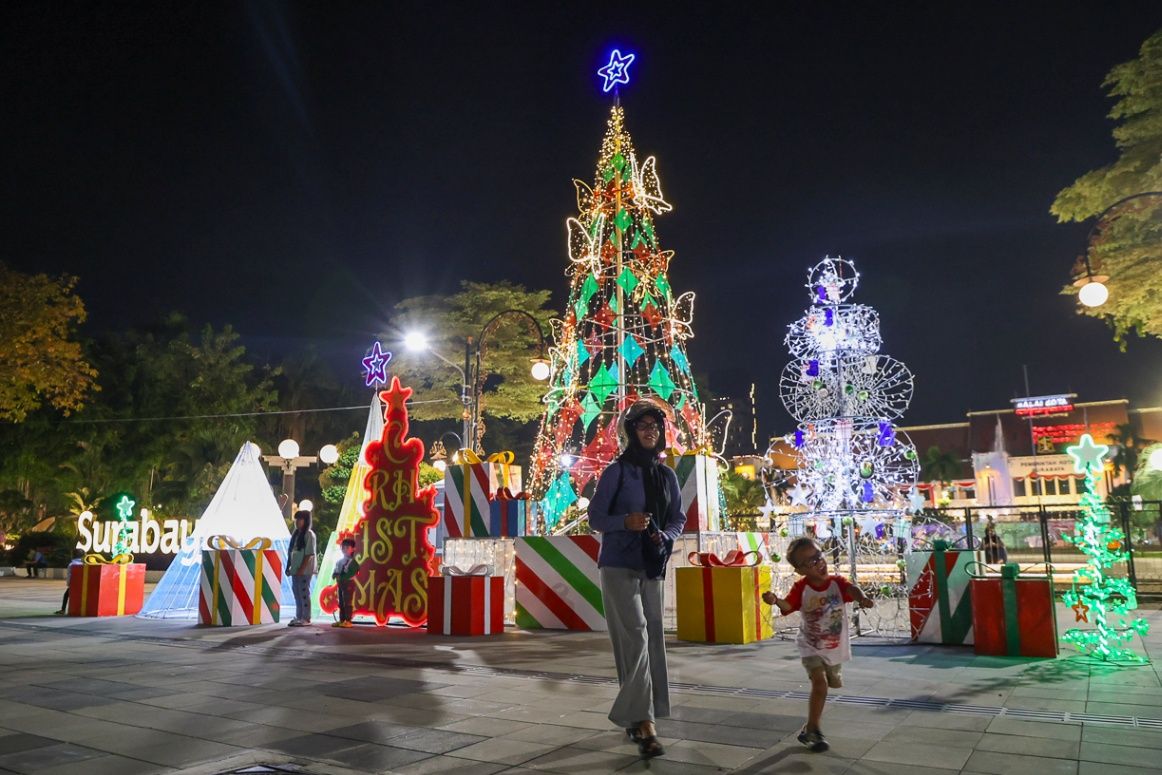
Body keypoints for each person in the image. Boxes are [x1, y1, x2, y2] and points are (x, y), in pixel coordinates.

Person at [588, 399, 685, 759]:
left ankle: (637, 716)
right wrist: (624, 522)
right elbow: (595, 517)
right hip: (618, 563)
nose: (650, 432)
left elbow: (678, 516)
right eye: (643, 426)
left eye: (655, 427)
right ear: (631, 432)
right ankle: (645, 723)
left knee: (650, 638)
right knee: (635, 635)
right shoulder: (617, 471)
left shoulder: (667, 475)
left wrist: (669, 536)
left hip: (652, 564)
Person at [762, 537, 874, 753]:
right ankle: (814, 729)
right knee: (820, 684)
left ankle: (809, 729)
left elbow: (852, 590)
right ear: (800, 570)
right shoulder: (801, 588)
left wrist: (863, 598)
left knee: (832, 683)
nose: (819, 563)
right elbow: (788, 605)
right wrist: (776, 600)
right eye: (810, 562)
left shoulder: (837, 583)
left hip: (834, 646)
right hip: (810, 645)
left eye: (818, 557)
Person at [286, 509, 317, 627]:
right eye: (296, 519)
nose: (297, 521)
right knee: (297, 593)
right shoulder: (296, 534)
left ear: (306, 521)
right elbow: (291, 552)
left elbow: (309, 554)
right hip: (295, 570)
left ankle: (306, 617)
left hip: (304, 571)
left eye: (300, 519)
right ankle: (299, 616)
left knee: (304, 593)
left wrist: (301, 569)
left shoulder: (309, 534)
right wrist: (289, 567)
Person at [331, 537, 360, 628]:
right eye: (343, 547)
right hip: (340, 584)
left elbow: (353, 571)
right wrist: (334, 574)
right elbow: (336, 569)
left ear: (353, 549)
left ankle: (348, 620)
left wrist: (342, 577)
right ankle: (342, 620)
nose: (344, 549)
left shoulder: (353, 562)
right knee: (341, 602)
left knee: (347, 602)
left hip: (348, 584)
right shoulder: (339, 561)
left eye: (347, 547)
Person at [54, 550, 85, 614]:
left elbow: (70, 575)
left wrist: (69, 583)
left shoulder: (72, 564)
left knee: (66, 595)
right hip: (81, 583)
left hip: (73, 584)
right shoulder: (83, 564)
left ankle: (63, 610)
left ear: (73, 555)